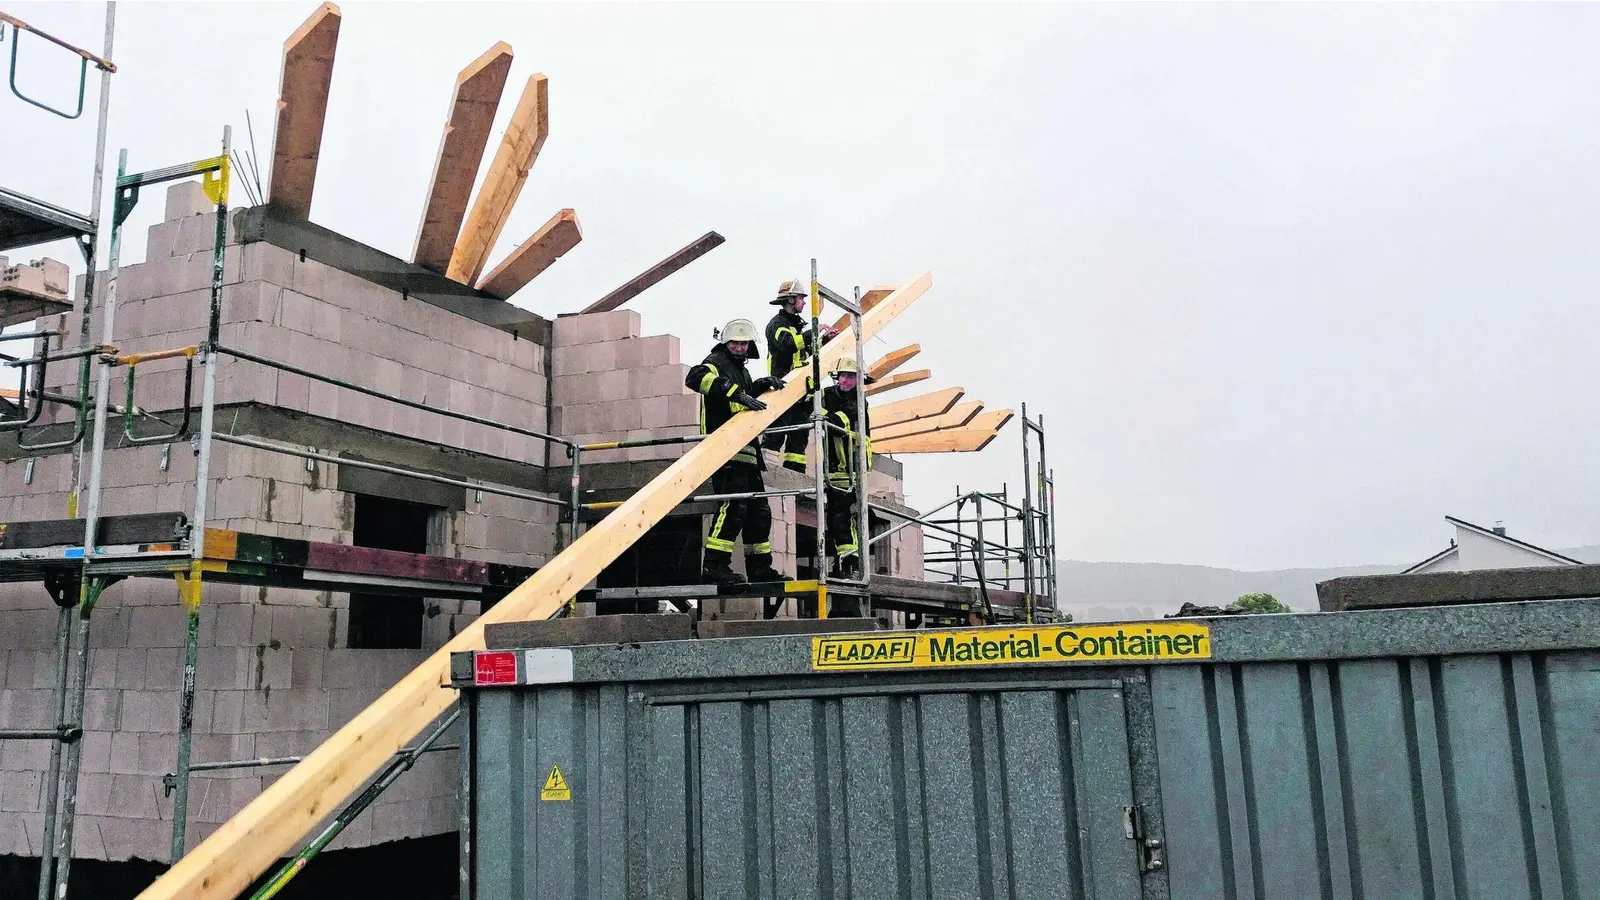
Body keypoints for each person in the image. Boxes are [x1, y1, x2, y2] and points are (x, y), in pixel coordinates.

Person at [685, 317, 786, 584]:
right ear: (725, 343)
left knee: (759, 513)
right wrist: (735, 392)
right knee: (732, 508)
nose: (740, 347)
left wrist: (761, 385)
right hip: (724, 451)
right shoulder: (715, 362)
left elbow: (745, 395)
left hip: (747, 453)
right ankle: (714, 567)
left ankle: (760, 569)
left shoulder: (741, 370)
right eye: (735, 343)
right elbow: (695, 378)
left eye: (744, 343)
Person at [762, 279, 838, 472]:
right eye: (801, 298)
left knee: (799, 439)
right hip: (784, 388)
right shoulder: (777, 325)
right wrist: (812, 332)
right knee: (776, 434)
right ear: (790, 300)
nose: (804, 302)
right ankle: (767, 475)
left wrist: (823, 342)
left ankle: (795, 479)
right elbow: (787, 345)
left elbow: (804, 354)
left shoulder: (796, 327)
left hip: (801, 392)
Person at [821, 356, 873, 579]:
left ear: (859, 380)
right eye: (842, 375)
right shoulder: (827, 394)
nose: (845, 380)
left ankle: (850, 561)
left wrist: (822, 417)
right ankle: (844, 560)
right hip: (835, 465)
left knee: (844, 517)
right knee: (835, 517)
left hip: (851, 466)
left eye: (850, 376)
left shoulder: (859, 402)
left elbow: (835, 422)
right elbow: (809, 404)